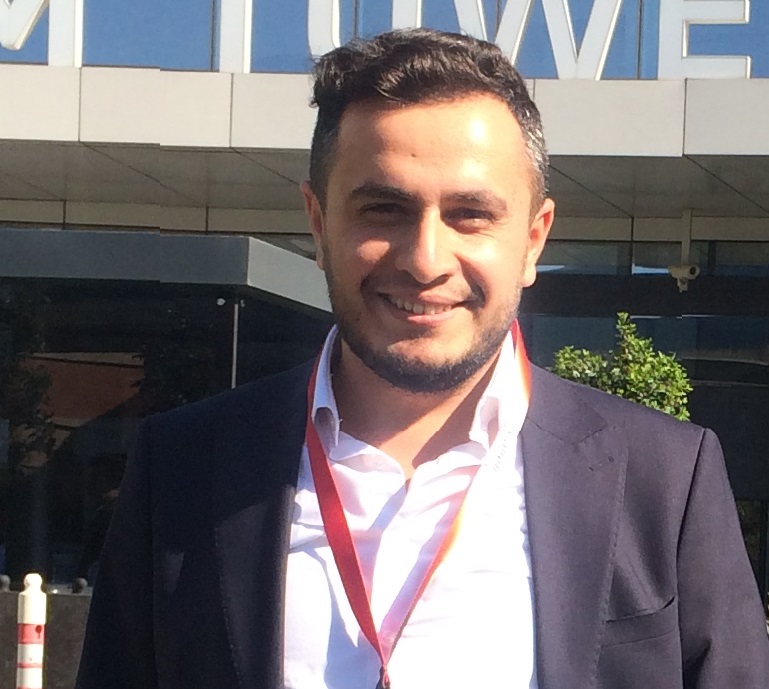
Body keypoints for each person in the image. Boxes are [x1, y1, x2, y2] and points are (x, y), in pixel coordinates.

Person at [75, 28, 769, 689]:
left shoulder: (663, 479)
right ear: (318, 224)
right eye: (384, 209)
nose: (425, 260)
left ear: (533, 239)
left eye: (470, 214)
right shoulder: (183, 468)